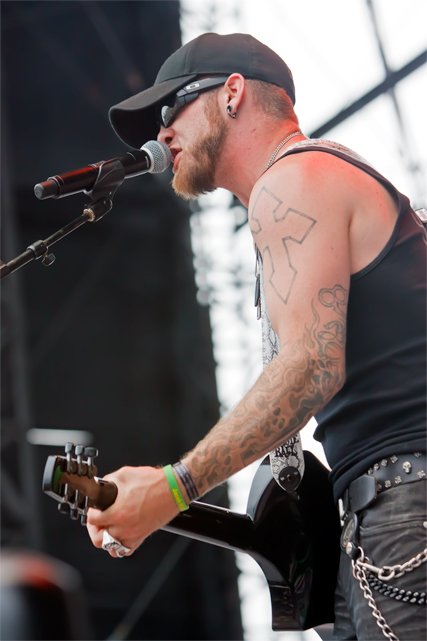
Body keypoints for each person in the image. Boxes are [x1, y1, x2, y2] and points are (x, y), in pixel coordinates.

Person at [87, 33, 426, 640]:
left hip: (406, 500)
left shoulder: (292, 181)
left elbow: (311, 366)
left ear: (233, 93)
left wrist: (173, 487)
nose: (161, 134)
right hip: (384, 505)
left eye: (172, 110)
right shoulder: (309, 185)